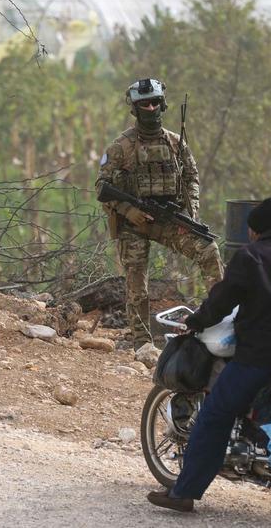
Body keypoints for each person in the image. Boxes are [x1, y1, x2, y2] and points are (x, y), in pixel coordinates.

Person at [147, 197, 271, 513]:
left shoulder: (250, 257)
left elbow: (222, 301)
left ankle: (183, 492)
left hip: (258, 355)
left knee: (214, 414)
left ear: (253, 230)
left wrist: (196, 321)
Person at [95, 78, 223, 346]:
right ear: (135, 108)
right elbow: (101, 187)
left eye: (155, 103)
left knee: (209, 250)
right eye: (144, 104)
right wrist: (128, 211)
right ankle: (142, 342)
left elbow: (192, 178)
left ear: (163, 104)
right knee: (137, 282)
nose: (151, 108)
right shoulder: (121, 147)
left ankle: (218, 319)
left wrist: (192, 212)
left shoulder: (176, 144)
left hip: (168, 219)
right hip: (134, 223)